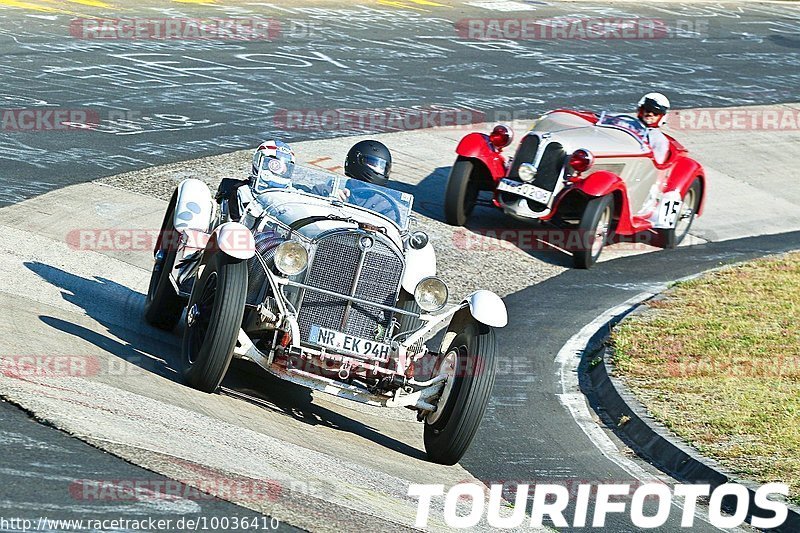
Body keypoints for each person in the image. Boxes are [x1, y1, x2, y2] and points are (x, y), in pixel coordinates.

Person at [215, 139, 295, 222]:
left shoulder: (292, 193)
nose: (278, 169)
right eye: (273, 164)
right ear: (259, 162)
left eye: (283, 166)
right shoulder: (242, 191)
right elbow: (235, 225)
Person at [637, 92, 671, 164]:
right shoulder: (628, 124)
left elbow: (657, 164)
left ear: (661, 116)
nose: (650, 114)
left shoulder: (659, 139)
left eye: (655, 113)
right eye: (648, 110)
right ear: (642, 110)